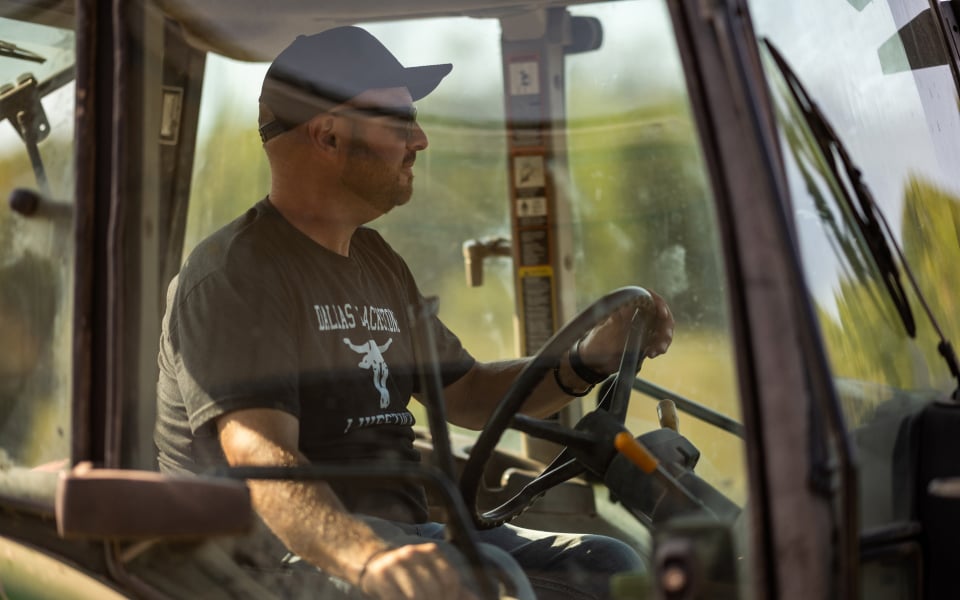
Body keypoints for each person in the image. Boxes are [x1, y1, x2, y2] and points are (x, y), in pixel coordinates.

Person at [155, 26, 674, 600]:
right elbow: (262, 461)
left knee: (610, 563)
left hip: (404, 534)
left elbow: (470, 392)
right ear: (328, 135)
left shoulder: (376, 261)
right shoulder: (236, 275)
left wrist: (590, 357)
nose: (420, 139)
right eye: (401, 120)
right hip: (277, 562)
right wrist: (370, 559)